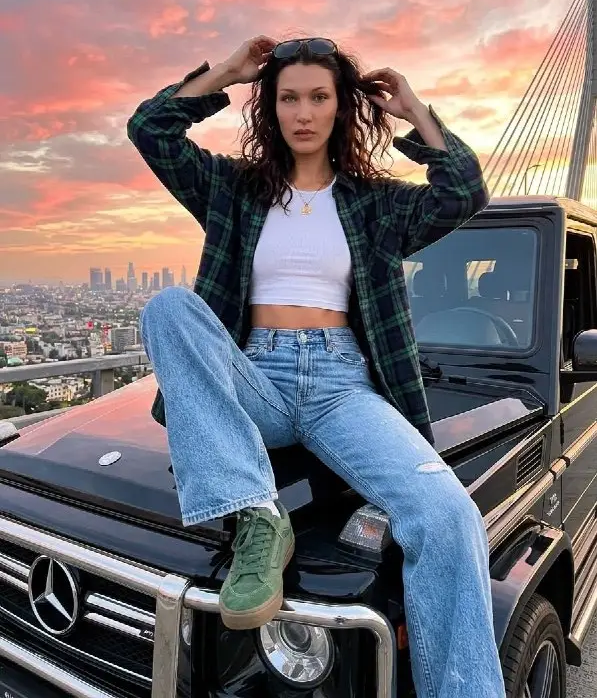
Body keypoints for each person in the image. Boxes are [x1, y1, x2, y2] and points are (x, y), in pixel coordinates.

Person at [128, 36, 506, 697]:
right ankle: (257, 517)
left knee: (447, 515)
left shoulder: (373, 204)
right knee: (166, 308)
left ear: (340, 107)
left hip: (341, 388)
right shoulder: (232, 190)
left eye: (318, 97)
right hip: (256, 378)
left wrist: (415, 113)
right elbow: (150, 131)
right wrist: (226, 74)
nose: (302, 112)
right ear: (269, 109)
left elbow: (462, 193)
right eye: (287, 97)